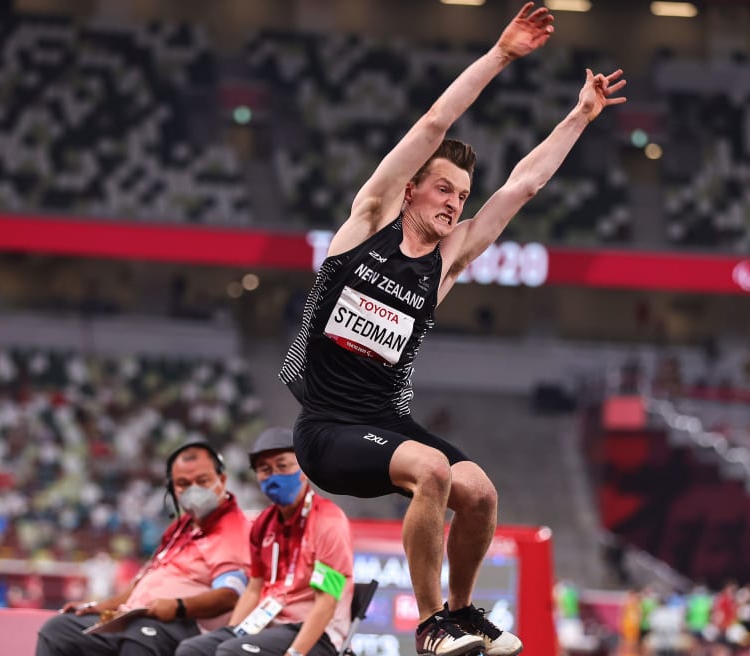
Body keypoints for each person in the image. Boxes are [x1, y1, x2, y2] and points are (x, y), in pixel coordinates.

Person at [277, 3, 627, 655]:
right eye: (442, 189)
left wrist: (580, 115)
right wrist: (501, 55)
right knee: (435, 470)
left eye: (461, 198)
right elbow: (436, 121)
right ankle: (432, 623)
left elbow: (522, 186)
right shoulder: (368, 222)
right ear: (411, 190)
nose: (452, 203)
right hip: (326, 428)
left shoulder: (445, 264)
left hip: (386, 421)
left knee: (480, 491)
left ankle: (461, 615)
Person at [36, 442, 251, 656]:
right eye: (183, 483)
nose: (193, 489)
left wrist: (178, 607)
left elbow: (230, 595)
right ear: (173, 489)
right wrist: (102, 606)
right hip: (134, 617)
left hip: (185, 624)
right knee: (59, 630)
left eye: (202, 481)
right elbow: (144, 586)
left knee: (141, 636)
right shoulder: (179, 528)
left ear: (222, 480)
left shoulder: (232, 529)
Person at [175, 427, 354, 656]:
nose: (274, 476)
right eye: (264, 469)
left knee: (232, 652)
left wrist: (295, 653)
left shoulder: (328, 521)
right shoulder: (263, 524)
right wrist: (232, 632)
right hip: (268, 625)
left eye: (282, 466)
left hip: (316, 634)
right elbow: (254, 589)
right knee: (192, 650)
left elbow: (327, 601)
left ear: (305, 469)